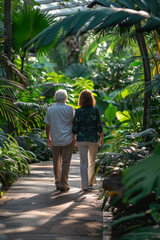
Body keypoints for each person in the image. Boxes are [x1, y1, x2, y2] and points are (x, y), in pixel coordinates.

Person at [72, 89, 104, 191]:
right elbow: (99, 125)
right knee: (92, 162)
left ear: (81, 99)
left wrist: (73, 139)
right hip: (93, 138)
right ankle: (90, 182)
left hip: (81, 139)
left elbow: (75, 127)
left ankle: (84, 185)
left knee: (83, 163)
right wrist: (102, 137)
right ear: (91, 99)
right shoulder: (95, 110)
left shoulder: (78, 111)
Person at [44, 89, 75, 192]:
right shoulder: (70, 109)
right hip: (68, 139)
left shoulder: (50, 109)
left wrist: (48, 138)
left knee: (56, 162)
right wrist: (74, 138)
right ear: (65, 98)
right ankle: (64, 184)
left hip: (55, 140)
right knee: (66, 163)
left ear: (55, 98)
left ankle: (57, 183)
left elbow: (47, 126)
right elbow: (73, 124)